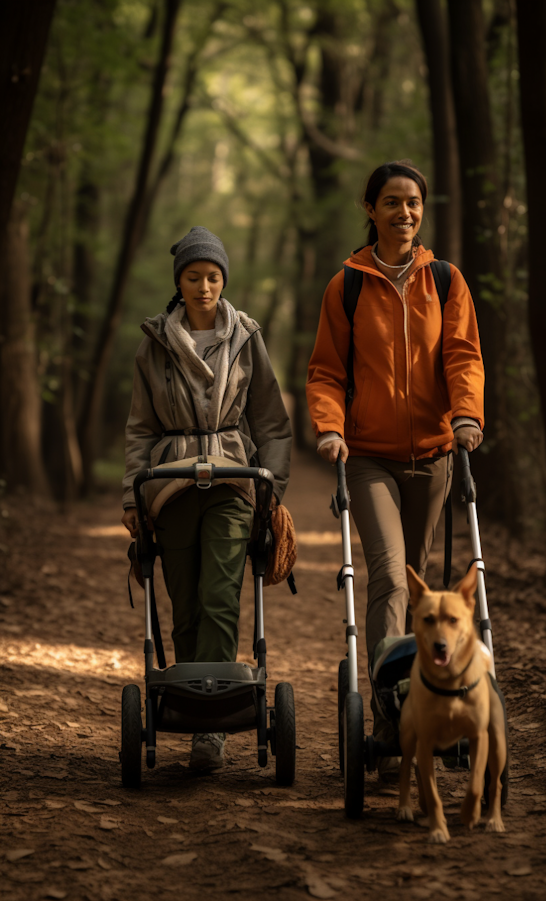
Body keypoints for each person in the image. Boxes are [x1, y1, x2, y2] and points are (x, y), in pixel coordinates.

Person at [306, 161, 484, 780]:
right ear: (370, 209)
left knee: (422, 587)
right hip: (370, 457)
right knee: (387, 573)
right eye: (391, 202)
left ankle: (427, 706)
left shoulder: (446, 280)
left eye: (413, 203)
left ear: (422, 211)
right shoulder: (347, 286)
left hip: (434, 454)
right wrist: (329, 426)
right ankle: (388, 716)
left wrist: (467, 418)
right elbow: (326, 370)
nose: (404, 213)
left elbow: (463, 356)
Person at [121, 226, 292, 771]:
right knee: (185, 601)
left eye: (213, 277)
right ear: (179, 282)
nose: (203, 286)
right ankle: (192, 703)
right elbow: (140, 429)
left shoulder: (245, 336)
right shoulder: (154, 344)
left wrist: (273, 491)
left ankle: (211, 723)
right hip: (168, 484)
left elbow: (271, 421)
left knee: (220, 592)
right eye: (193, 277)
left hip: (233, 481)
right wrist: (132, 495)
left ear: (224, 281)